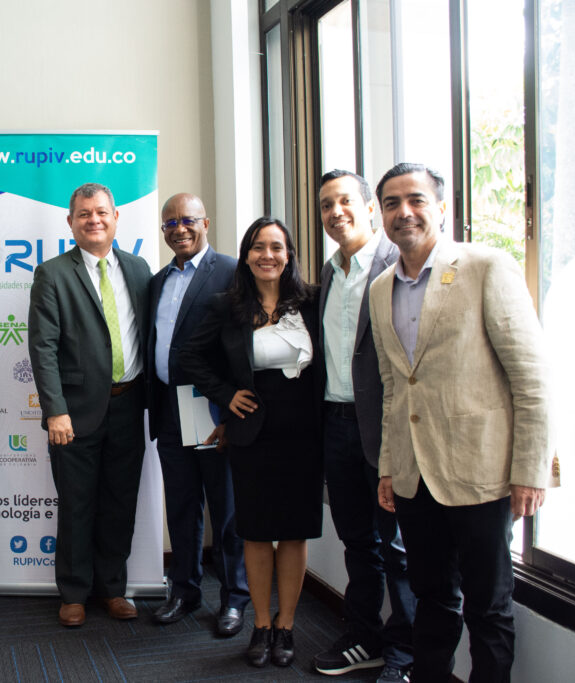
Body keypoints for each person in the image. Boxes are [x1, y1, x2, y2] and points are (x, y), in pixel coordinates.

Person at [369, 163, 556, 682]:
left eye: (416, 199)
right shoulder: (381, 288)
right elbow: (392, 387)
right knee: (430, 599)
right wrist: (389, 466)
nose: (404, 212)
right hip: (414, 476)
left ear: (441, 207)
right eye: (391, 203)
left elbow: (531, 376)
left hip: (482, 473)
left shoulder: (486, 266)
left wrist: (530, 471)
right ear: (381, 214)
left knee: (488, 608)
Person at [179, 217, 324, 669]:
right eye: (258, 247)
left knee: (294, 533)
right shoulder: (228, 306)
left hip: (304, 434)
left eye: (276, 247)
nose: (268, 255)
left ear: (289, 254)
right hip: (252, 434)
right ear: (246, 256)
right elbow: (189, 355)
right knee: (257, 533)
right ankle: (261, 625)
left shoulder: (313, 301)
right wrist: (225, 396)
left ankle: (286, 625)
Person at [28, 182, 151, 627]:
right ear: (71, 222)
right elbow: (42, 347)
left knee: (120, 502)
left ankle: (113, 589)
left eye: (101, 212)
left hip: (129, 404)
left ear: (116, 217)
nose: (93, 220)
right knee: (77, 505)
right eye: (84, 214)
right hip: (74, 413)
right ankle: (74, 592)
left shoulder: (138, 269)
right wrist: (55, 410)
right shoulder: (53, 274)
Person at [314, 170, 415, 683]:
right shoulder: (329, 271)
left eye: (345, 201)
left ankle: (405, 655)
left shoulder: (398, 263)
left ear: (370, 207)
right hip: (336, 424)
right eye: (326, 205)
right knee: (357, 541)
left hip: (386, 428)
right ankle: (364, 637)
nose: (336, 213)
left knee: (398, 549)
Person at [146, 193, 248, 636]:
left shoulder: (231, 273)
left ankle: (234, 597)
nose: (179, 229)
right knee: (182, 506)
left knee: (226, 510)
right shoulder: (158, 280)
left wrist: (230, 413)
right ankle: (184, 591)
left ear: (205, 222)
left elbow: (241, 348)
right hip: (170, 407)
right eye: (170, 223)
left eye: (187, 220)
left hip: (211, 408)